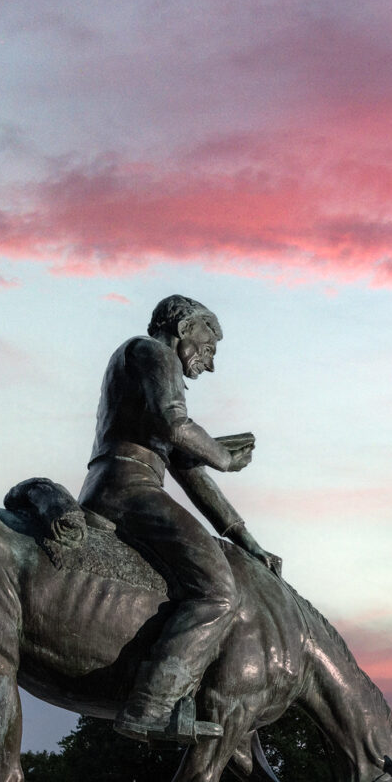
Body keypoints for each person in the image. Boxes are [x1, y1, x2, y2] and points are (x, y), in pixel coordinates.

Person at [80, 294, 279, 741]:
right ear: (185, 327)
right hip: (127, 489)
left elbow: (189, 472)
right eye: (209, 348)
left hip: (124, 484)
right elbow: (176, 425)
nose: (209, 365)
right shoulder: (152, 352)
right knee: (218, 592)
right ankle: (151, 705)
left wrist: (249, 544)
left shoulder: (149, 367)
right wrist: (223, 457)